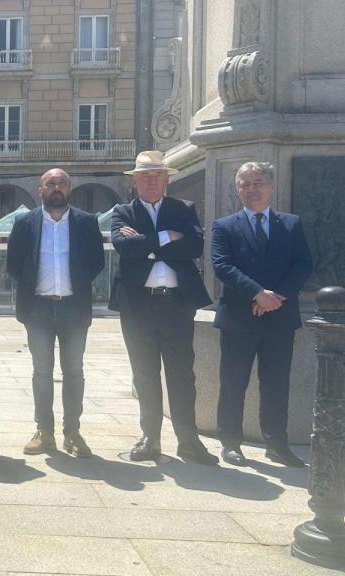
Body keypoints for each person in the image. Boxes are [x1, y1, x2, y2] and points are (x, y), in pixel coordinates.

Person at [109, 150, 217, 465]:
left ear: (167, 179)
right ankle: (150, 438)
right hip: (137, 306)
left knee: (182, 374)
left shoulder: (183, 209)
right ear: (136, 181)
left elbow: (195, 246)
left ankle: (188, 440)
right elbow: (124, 248)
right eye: (145, 176)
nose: (152, 181)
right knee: (145, 374)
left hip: (176, 304)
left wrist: (146, 243)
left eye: (158, 176)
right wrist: (166, 237)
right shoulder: (123, 211)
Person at [211, 162, 313, 467]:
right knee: (233, 382)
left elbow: (303, 264)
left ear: (271, 186)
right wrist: (258, 293)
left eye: (258, 183)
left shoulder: (291, 224)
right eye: (245, 184)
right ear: (237, 189)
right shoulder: (224, 226)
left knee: (276, 383)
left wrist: (276, 297)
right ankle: (230, 443)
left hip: (280, 317)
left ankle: (276, 444)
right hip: (239, 317)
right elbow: (222, 265)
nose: (251, 189)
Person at [7, 168, 105, 457]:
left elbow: (97, 262)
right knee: (41, 372)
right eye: (50, 184)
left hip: (74, 308)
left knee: (74, 372)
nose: (56, 187)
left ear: (70, 188)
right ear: (41, 190)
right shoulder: (25, 222)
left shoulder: (86, 222)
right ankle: (44, 431)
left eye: (62, 183)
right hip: (37, 308)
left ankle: (72, 432)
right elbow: (13, 263)